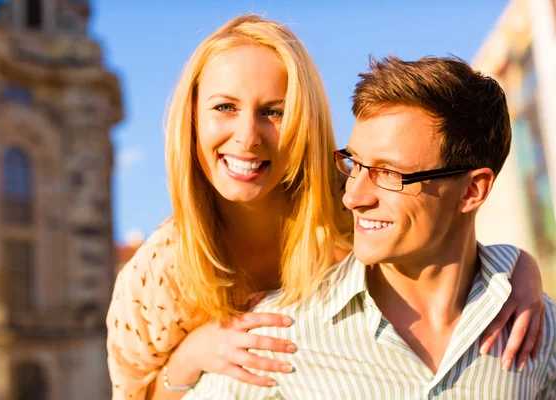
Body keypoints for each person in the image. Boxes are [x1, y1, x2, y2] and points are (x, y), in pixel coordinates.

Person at [106, 15, 545, 400]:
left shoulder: (343, 193)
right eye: (225, 107)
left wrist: (518, 272)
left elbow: (439, 230)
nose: (247, 136)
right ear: (192, 119)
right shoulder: (157, 275)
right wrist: (189, 356)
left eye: (274, 112)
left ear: (303, 119)